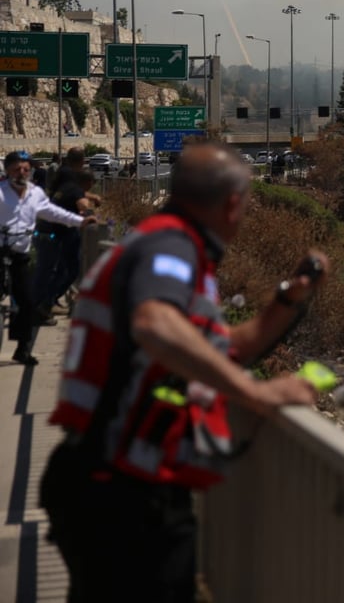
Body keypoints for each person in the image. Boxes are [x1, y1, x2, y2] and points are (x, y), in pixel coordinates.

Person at [39, 143, 326, 602]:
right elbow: (155, 325)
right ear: (233, 204)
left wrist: (285, 305)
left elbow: (214, 350)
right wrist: (258, 394)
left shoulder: (161, 245)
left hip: (112, 482)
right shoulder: (170, 246)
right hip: (120, 493)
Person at [0, 150, 97, 365]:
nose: (23, 172)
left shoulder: (35, 193)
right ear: (7, 171)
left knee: (26, 302)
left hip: (20, 253)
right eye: (17, 169)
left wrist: (79, 221)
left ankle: (22, 349)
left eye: (26, 169)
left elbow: (52, 212)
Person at [33, 167, 96, 322]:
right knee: (68, 271)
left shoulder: (63, 188)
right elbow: (84, 206)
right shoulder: (75, 191)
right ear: (88, 182)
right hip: (56, 236)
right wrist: (90, 214)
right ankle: (45, 304)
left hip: (45, 233)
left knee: (53, 271)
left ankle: (45, 304)